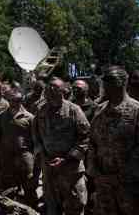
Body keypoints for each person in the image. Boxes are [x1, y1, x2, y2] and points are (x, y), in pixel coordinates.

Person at [87, 66, 139, 215]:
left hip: (130, 186)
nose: (105, 85)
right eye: (105, 81)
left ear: (123, 83)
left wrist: (123, 173)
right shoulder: (99, 110)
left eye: (110, 81)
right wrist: (93, 168)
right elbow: (92, 141)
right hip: (104, 185)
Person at [32, 77, 90, 215]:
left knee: (74, 206)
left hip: (70, 169)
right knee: (52, 206)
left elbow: (86, 137)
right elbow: (36, 134)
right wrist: (41, 154)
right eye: (49, 88)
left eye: (55, 88)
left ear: (63, 91)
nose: (51, 90)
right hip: (49, 169)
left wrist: (66, 159)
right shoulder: (41, 110)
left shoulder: (74, 110)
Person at [0, 87, 37, 208]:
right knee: (8, 186)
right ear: (9, 100)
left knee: (29, 184)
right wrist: (0, 151)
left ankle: (32, 208)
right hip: (7, 155)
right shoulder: (1, 117)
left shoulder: (30, 118)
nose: (16, 102)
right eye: (13, 100)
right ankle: (9, 209)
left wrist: (33, 154)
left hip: (25, 155)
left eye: (19, 100)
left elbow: (35, 138)